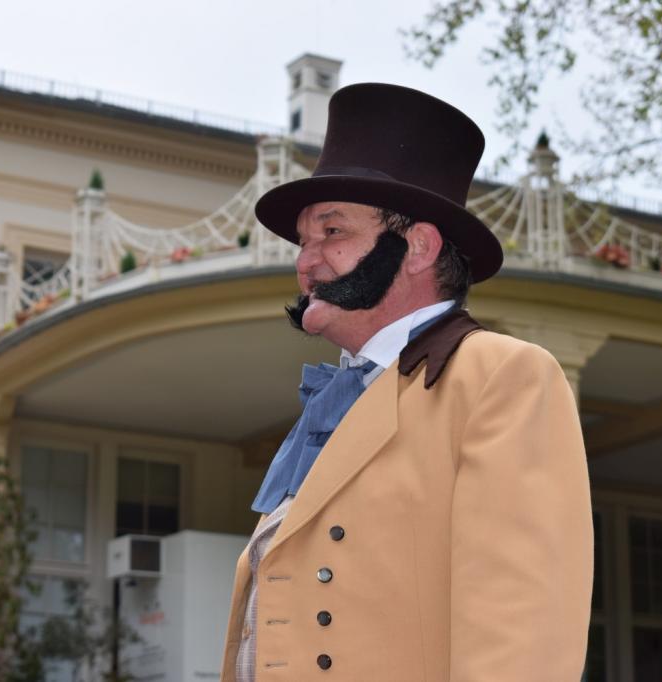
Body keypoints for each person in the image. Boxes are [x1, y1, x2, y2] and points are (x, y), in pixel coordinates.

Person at [220, 83, 593, 680]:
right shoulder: (336, 400)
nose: (305, 262)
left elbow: (521, 639)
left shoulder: (501, 377)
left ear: (418, 246)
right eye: (304, 240)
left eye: (332, 233)